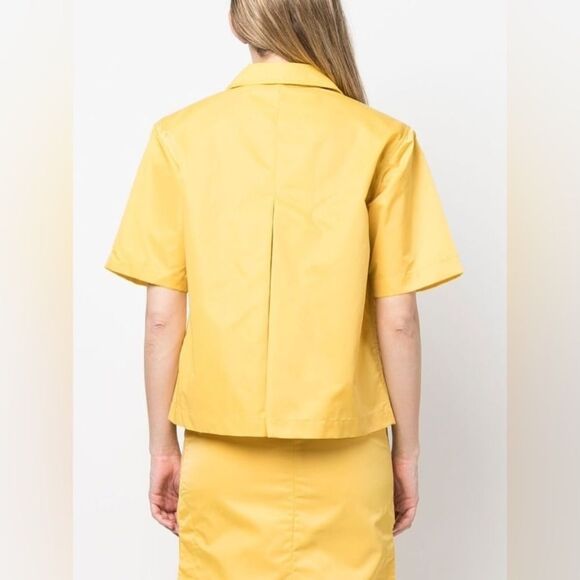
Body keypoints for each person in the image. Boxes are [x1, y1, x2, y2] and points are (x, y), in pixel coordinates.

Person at [104, 1, 464, 578]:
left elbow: (162, 319)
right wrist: (407, 452)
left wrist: (162, 446)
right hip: (348, 449)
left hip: (222, 450)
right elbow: (398, 320)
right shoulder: (384, 140)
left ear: (239, 23)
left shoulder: (179, 138)